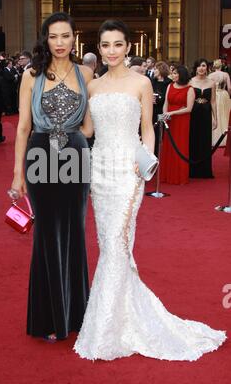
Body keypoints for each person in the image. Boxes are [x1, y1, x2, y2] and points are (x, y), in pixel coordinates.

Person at [74, 19, 226, 361]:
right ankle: (119, 319)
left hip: (128, 171)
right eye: (105, 45)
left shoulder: (142, 83)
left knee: (116, 241)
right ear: (99, 49)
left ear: (128, 47)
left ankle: (105, 329)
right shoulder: (93, 87)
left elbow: (148, 129)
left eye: (117, 44)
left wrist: (143, 165)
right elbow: (86, 131)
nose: (111, 50)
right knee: (110, 245)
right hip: (99, 171)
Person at [10, 12, 92, 341]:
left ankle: (74, 315)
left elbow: (89, 123)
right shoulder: (32, 74)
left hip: (74, 155)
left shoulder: (86, 72)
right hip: (40, 155)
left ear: (75, 38)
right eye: (53, 36)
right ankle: (48, 318)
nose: (59, 43)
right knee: (45, 233)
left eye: (65, 36)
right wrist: (18, 174)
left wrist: (77, 136)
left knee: (75, 230)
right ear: (45, 38)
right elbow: (22, 127)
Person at [160, 65, 195, 185]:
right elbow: (166, 102)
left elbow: (189, 108)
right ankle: (167, 175)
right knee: (168, 146)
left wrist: (172, 112)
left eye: (175, 73)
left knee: (180, 146)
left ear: (182, 75)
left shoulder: (190, 89)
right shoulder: (170, 85)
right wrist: (165, 114)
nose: (173, 75)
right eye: (173, 73)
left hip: (182, 120)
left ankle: (179, 176)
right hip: (169, 119)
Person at [190, 59, 217, 178]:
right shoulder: (190, 82)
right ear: (195, 68)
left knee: (205, 140)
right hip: (193, 114)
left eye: (203, 66)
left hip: (206, 114)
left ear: (207, 68)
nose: (201, 68)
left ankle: (204, 170)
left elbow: (213, 101)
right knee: (193, 139)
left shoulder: (211, 83)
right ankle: (192, 170)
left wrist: (215, 118)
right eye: (199, 66)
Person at [209, 59, 231, 147]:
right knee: (224, 115)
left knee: (214, 114)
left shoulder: (210, 75)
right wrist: (228, 95)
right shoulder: (225, 75)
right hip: (223, 95)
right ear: (221, 66)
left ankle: (213, 137)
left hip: (214, 95)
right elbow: (229, 88)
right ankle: (225, 137)